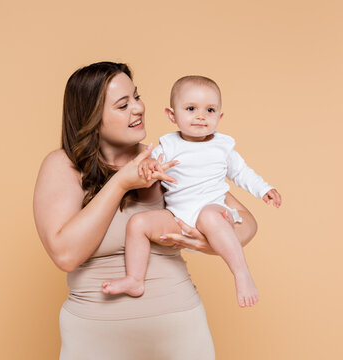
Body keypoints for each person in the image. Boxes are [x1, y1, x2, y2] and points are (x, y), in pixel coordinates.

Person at [33, 62, 258, 359]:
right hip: (94, 333)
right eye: (123, 105)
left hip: (180, 326)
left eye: (136, 97)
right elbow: (65, 254)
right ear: (91, 117)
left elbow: (246, 224)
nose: (138, 109)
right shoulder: (62, 165)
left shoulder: (162, 158)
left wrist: (207, 242)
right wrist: (122, 183)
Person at [102, 75, 282, 307]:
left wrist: (264, 189)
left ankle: (241, 273)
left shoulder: (222, 146)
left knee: (208, 215)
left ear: (220, 116)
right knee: (138, 223)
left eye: (210, 110)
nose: (200, 116)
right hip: (179, 218)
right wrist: (148, 165)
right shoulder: (168, 145)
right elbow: (151, 164)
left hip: (215, 212)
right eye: (190, 108)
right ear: (172, 115)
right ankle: (135, 279)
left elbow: (242, 173)